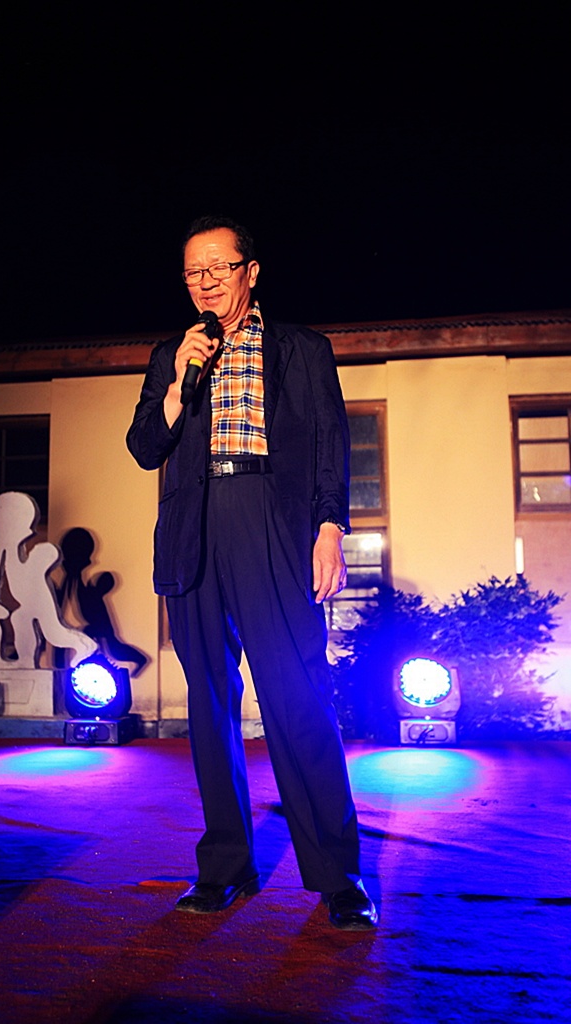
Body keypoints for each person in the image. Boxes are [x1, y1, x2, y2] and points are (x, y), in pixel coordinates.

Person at [126, 216, 376, 930]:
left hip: (272, 518)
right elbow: (144, 447)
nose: (206, 282)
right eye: (193, 272)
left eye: (219, 268)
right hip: (194, 526)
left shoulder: (302, 349)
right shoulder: (173, 354)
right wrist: (176, 385)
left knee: (297, 695)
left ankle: (337, 875)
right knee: (209, 703)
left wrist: (328, 528)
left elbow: (330, 443)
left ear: (251, 271)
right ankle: (224, 867)